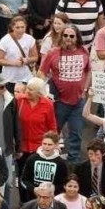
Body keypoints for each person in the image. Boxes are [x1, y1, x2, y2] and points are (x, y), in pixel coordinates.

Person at [38, 24, 90, 164]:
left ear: (77, 37)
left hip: (78, 102)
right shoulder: (53, 53)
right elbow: (41, 72)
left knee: (76, 134)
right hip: (59, 101)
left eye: (71, 36)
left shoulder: (84, 51)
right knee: (53, 133)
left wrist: (85, 89)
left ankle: (73, 162)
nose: (68, 38)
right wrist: (43, 92)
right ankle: (49, 158)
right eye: (65, 35)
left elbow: (88, 70)